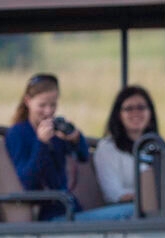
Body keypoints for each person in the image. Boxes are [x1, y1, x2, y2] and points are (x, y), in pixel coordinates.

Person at [6, 73, 132, 221]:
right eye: (42, 105)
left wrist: (75, 139)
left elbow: (83, 156)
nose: (48, 111)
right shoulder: (18, 134)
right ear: (28, 101)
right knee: (131, 212)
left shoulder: (56, 129)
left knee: (138, 210)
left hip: (69, 209)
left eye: (53, 105)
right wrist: (41, 144)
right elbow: (26, 183)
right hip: (49, 215)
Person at [94, 84, 159, 207]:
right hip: (123, 211)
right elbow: (113, 194)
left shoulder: (157, 146)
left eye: (141, 108)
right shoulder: (108, 148)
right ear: (119, 115)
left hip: (155, 209)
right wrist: (147, 198)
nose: (136, 113)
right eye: (129, 108)